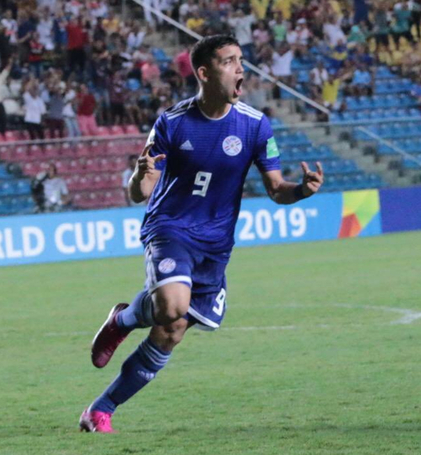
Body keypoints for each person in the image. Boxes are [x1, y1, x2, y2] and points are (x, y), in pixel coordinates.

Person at [79, 35, 325, 434]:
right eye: (230, 61)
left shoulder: (255, 125)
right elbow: (138, 192)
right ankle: (124, 320)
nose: (241, 68)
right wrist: (141, 175)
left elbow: (277, 189)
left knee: (170, 331)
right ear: (205, 73)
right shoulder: (172, 123)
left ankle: (101, 407)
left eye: (241, 60)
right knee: (172, 306)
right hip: (171, 228)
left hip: (215, 245)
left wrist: (301, 190)